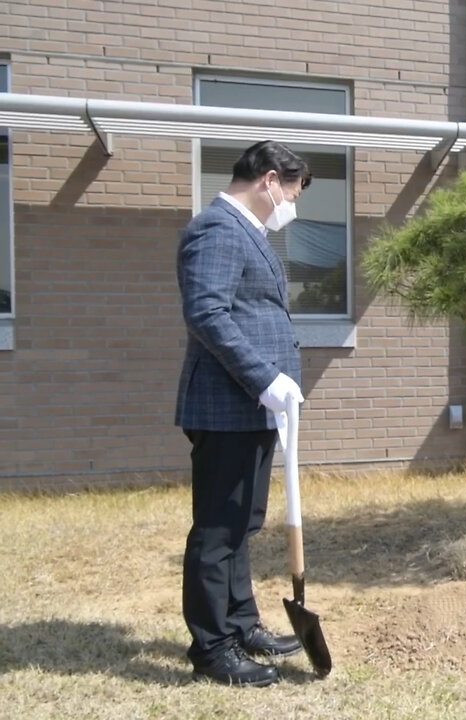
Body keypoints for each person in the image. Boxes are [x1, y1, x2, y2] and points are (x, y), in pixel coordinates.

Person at [174, 140, 311, 686]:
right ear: (270, 180)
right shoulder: (217, 230)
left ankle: (241, 623)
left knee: (243, 523)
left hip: (253, 409)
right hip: (226, 405)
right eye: (294, 193)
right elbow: (207, 314)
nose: (291, 206)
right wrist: (264, 377)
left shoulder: (246, 233)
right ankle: (212, 650)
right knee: (217, 530)